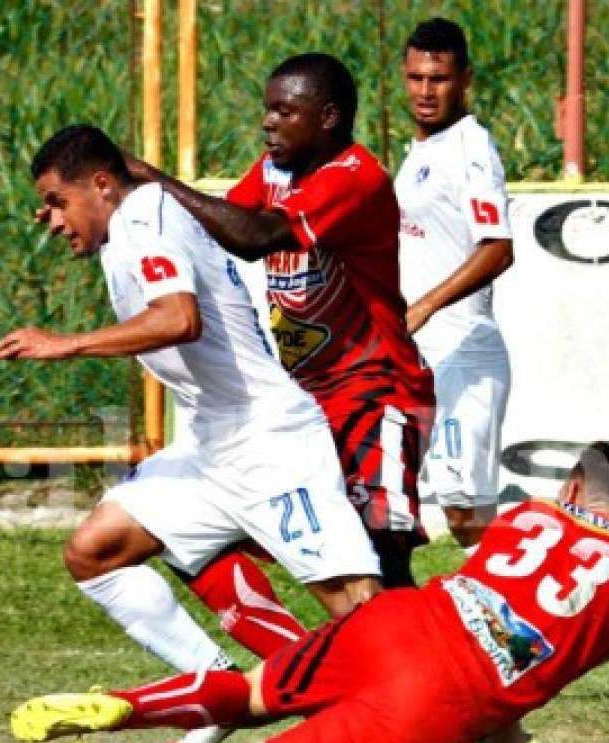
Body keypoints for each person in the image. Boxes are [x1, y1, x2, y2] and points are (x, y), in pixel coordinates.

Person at [9, 442, 609, 743]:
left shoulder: (528, 519)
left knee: (245, 693)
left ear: (574, 486)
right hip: (438, 703)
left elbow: (492, 619)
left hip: (394, 622)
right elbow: (506, 660)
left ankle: (125, 702)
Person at [0, 124, 383, 743]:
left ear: (101, 185)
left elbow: (179, 318)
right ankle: (217, 688)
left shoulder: (145, 215)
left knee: (359, 608)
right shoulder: (127, 225)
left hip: (268, 442)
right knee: (96, 551)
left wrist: (65, 344)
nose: (53, 220)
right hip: (209, 447)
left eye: (59, 201)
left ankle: (472, 733)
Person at [120, 53, 435, 665]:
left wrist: (153, 178)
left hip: (376, 393)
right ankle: (305, 671)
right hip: (304, 400)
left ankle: (478, 716)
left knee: (381, 557)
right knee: (208, 529)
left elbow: (255, 235)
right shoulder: (274, 170)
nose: (267, 123)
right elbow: (217, 225)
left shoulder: (355, 176)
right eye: (268, 108)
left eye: (284, 111)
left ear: (329, 118)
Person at [393, 17, 532, 743]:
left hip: (461, 360)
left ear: (464, 80)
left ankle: (517, 653)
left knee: (468, 524)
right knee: (437, 520)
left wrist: (422, 307)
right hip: (424, 361)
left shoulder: (470, 146)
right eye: (414, 77)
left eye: (438, 79)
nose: (424, 91)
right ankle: (490, 684)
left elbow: (496, 247)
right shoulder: (421, 151)